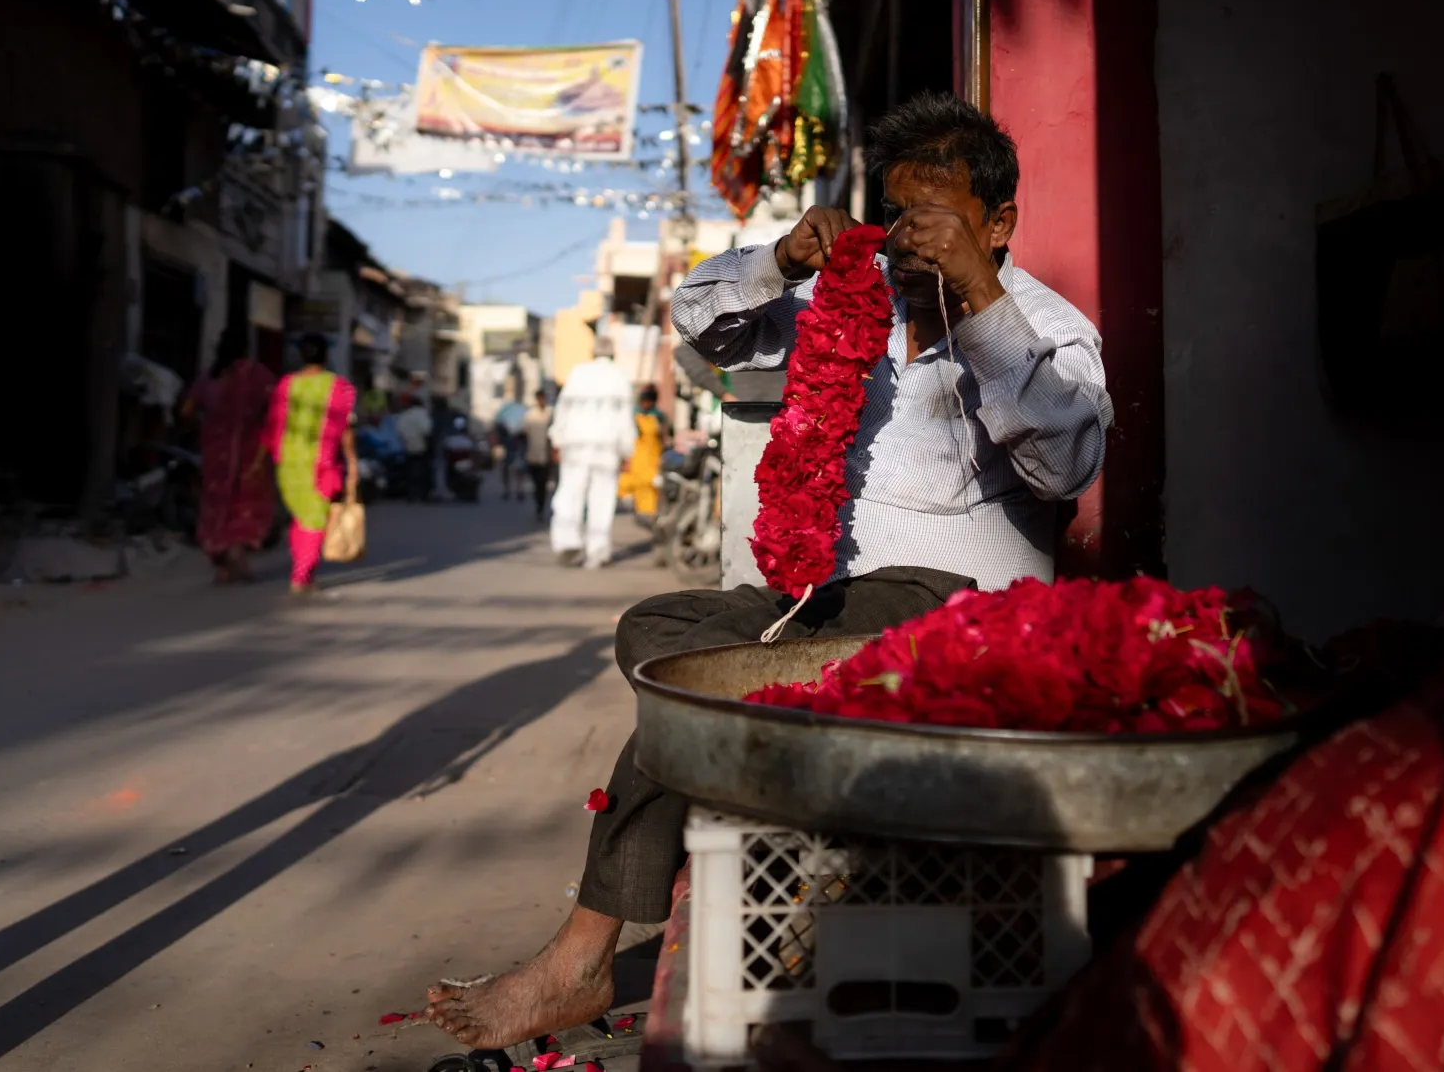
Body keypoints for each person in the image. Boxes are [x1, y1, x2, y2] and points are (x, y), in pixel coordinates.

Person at [424, 92, 1113, 1048]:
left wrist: (981, 299)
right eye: (899, 220)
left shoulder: (1045, 327)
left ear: (997, 223)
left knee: (694, 683)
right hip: (826, 601)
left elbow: (1068, 467)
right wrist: (782, 259)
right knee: (653, 634)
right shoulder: (855, 298)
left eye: (938, 225)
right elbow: (703, 325)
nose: (909, 248)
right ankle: (726, 800)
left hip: (956, 609)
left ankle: (582, 953)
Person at [261, 333, 358, 594]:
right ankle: (301, 576)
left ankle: (303, 570)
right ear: (326, 356)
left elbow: (272, 424)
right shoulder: (340, 387)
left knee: (301, 516)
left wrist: (259, 459)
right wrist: (352, 463)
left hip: (288, 462)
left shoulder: (285, 385)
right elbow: (346, 429)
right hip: (321, 463)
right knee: (314, 517)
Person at [179, 326, 277, 583]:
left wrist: (208, 423)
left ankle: (222, 564)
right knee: (245, 503)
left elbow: (186, 411)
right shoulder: (257, 375)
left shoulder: (208, 378)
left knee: (215, 502)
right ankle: (237, 552)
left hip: (215, 452)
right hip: (249, 451)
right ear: (246, 348)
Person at [547, 336, 636, 568]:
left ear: (593, 352)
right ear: (613, 353)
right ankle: (597, 553)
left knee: (570, 493)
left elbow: (563, 408)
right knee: (602, 498)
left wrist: (557, 439)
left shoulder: (578, 373)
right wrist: (627, 450)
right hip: (607, 447)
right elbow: (625, 418)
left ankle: (567, 542)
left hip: (575, 444)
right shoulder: (620, 376)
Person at [618, 384, 666, 520]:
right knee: (635, 485)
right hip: (637, 460)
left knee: (650, 488)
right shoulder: (634, 417)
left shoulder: (658, 417)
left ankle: (649, 515)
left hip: (652, 460)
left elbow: (662, 439)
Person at [393, 390, 434, 502]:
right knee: (423, 471)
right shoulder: (422, 414)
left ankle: (410, 494)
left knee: (409, 472)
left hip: (408, 447)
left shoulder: (404, 415)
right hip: (422, 446)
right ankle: (423, 494)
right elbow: (427, 430)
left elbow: (399, 431)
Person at [522, 389, 556, 519]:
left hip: (547, 455)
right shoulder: (530, 415)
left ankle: (541, 506)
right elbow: (524, 433)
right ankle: (538, 504)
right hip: (533, 454)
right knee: (536, 483)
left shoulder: (550, 413)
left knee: (544, 482)